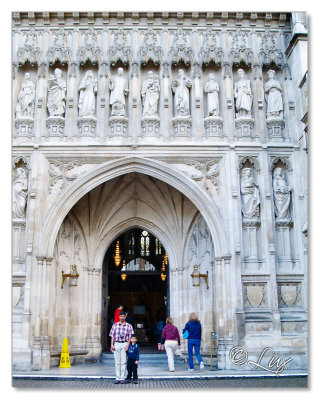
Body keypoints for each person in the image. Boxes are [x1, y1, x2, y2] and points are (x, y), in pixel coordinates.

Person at [109, 310, 134, 384]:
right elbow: (112, 336)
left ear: (125, 317)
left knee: (123, 362)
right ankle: (117, 378)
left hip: (124, 344)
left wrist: (128, 345)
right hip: (116, 344)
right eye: (121, 316)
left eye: (123, 316)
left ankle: (122, 378)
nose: (122, 317)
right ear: (119, 317)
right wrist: (111, 345)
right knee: (117, 362)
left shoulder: (129, 326)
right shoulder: (115, 325)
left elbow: (130, 337)